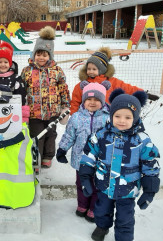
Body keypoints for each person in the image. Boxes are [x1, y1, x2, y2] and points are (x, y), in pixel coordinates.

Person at [79, 89, 160, 241]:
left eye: (127, 117)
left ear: (135, 118)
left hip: (128, 190)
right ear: (111, 115)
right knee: (101, 210)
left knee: (125, 218)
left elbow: (151, 166)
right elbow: (89, 156)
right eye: (117, 116)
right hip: (104, 186)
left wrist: (149, 191)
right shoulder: (101, 135)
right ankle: (102, 226)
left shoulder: (142, 141)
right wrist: (84, 177)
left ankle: (123, 238)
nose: (122, 120)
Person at [56, 81, 111, 223]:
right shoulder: (76, 118)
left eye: (97, 99)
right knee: (81, 184)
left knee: (97, 186)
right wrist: (62, 149)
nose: (92, 102)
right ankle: (82, 205)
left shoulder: (108, 118)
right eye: (89, 99)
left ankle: (93, 208)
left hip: (100, 161)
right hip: (80, 160)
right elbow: (69, 136)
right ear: (83, 100)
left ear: (103, 101)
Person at [21, 26, 70, 168]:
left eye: (45, 55)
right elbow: (21, 90)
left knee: (51, 135)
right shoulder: (27, 71)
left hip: (52, 111)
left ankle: (48, 157)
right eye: (38, 54)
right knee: (37, 135)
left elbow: (63, 88)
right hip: (34, 112)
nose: (41, 57)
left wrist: (65, 106)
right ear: (34, 54)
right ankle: (37, 156)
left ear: (50, 56)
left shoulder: (57, 71)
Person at [70, 47, 159, 115]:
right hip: (86, 118)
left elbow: (127, 88)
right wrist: (74, 116)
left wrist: (144, 94)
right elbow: (75, 101)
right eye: (88, 69)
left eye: (94, 69)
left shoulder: (112, 82)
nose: (90, 71)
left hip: (106, 117)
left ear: (102, 70)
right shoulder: (82, 85)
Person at [0, 42, 29, 122]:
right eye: (0, 62)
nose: (3, 64)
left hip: (12, 114)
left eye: (6, 62)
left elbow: (22, 97)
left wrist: (23, 116)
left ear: (10, 63)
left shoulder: (16, 79)